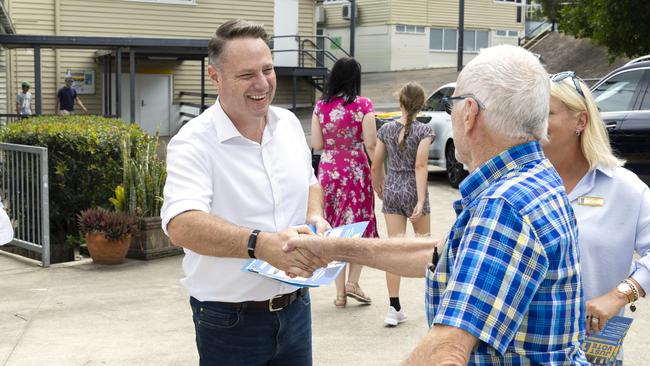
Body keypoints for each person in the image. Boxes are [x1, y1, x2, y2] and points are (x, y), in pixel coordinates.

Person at [285, 45, 588, 364]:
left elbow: (446, 351)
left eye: (452, 103)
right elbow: (441, 254)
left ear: (470, 113)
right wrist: (331, 248)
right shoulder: (531, 178)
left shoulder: (504, 206)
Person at [160, 19, 329, 366]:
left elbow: (310, 181)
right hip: (228, 322)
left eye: (267, 70)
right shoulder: (193, 142)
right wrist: (261, 244)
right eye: (247, 75)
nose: (262, 83)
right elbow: (181, 224)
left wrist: (315, 216)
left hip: (297, 309)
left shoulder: (288, 125)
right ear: (215, 76)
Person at [544, 72, 649, 350]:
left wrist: (619, 296)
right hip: (525, 350)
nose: (535, 123)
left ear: (581, 121)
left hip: (594, 348)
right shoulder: (519, 185)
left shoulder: (624, 188)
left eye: (547, 113)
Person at [311, 56, 378, 308]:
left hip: (329, 170)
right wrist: (379, 174)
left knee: (335, 229)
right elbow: (371, 143)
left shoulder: (321, 107)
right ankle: (353, 282)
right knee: (358, 226)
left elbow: (316, 144)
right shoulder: (363, 105)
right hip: (355, 169)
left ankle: (339, 294)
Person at [372, 81, 433, 326]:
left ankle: (393, 307)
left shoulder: (385, 129)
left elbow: (376, 163)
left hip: (393, 186)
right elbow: (420, 166)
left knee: (394, 249)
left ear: (400, 102)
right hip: (413, 187)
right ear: (421, 106)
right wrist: (419, 200)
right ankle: (434, 301)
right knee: (427, 248)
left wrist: (379, 184)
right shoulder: (424, 132)